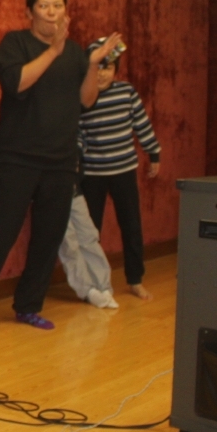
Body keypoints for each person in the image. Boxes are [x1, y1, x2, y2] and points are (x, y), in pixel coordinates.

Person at [0, 0, 120, 331]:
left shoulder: (75, 52)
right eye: (44, 6)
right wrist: (52, 51)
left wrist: (92, 64)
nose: (51, 12)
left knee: (49, 238)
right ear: (29, 12)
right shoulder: (15, 43)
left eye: (57, 6)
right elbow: (16, 83)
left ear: (66, 11)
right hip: (17, 157)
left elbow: (86, 100)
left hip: (61, 162)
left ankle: (28, 306)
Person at [78, 38, 161, 300]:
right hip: (93, 174)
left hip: (124, 170)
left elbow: (141, 124)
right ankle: (92, 283)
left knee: (131, 225)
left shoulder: (126, 92)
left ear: (116, 69)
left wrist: (153, 152)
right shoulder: (83, 96)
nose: (102, 73)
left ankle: (135, 279)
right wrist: (76, 156)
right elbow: (77, 132)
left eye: (109, 67)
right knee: (91, 231)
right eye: (98, 67)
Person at [59, 143, 118, 309]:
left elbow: (79, 143)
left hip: (74, 192)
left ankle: (104, 287)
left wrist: (76, 168)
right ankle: (87, 291)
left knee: (89, 236)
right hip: (53, 195)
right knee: (68, 243)